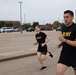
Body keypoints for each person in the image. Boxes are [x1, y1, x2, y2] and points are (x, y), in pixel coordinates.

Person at [56, 10, 76, 75]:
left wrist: (64, 40)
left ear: (72, 17)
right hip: (65, 54)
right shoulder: (63, 28)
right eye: (64, 17)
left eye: (67, 17)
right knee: (59, 73)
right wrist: (61, 43)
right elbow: (66, 39)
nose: (65, 19)